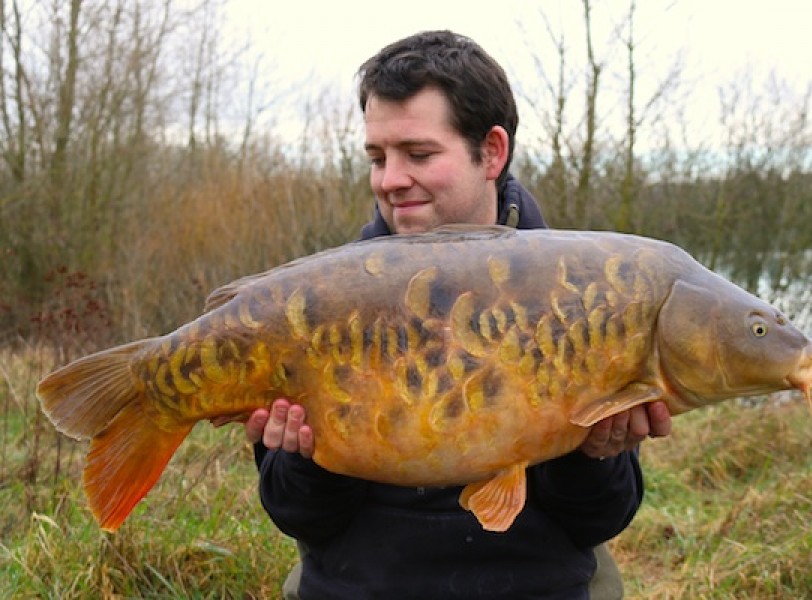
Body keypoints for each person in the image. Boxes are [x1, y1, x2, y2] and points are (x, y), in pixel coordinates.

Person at [244, 30, 672, 600]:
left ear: (492, 151)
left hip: (536, 582)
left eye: (418, 154)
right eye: (378, 157)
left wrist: (593, 453)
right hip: (365, 583)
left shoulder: (580, 296)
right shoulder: (321, 311)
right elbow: (303, 519)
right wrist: (310, 459)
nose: (390, 180)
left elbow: (596, 521)